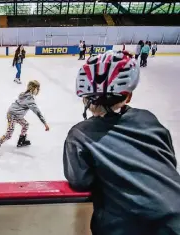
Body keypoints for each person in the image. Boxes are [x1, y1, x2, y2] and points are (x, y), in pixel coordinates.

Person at [63, 50, 180, 235]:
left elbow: (80, 181)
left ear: (85, 98)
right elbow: (169, 162)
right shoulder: (149, 119)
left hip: (125, 228)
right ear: (128, 96)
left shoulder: (79, 135)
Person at [0, 80, 49, 160]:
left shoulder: (24, 94)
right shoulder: (30, 100)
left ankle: (21, 140)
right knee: (9, 134)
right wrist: (45, 124)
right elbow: (38, 112)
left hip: (17, 115)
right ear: (33, 89)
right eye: (38, 88)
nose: (39, 90)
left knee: (25, 124)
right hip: (12, 115)